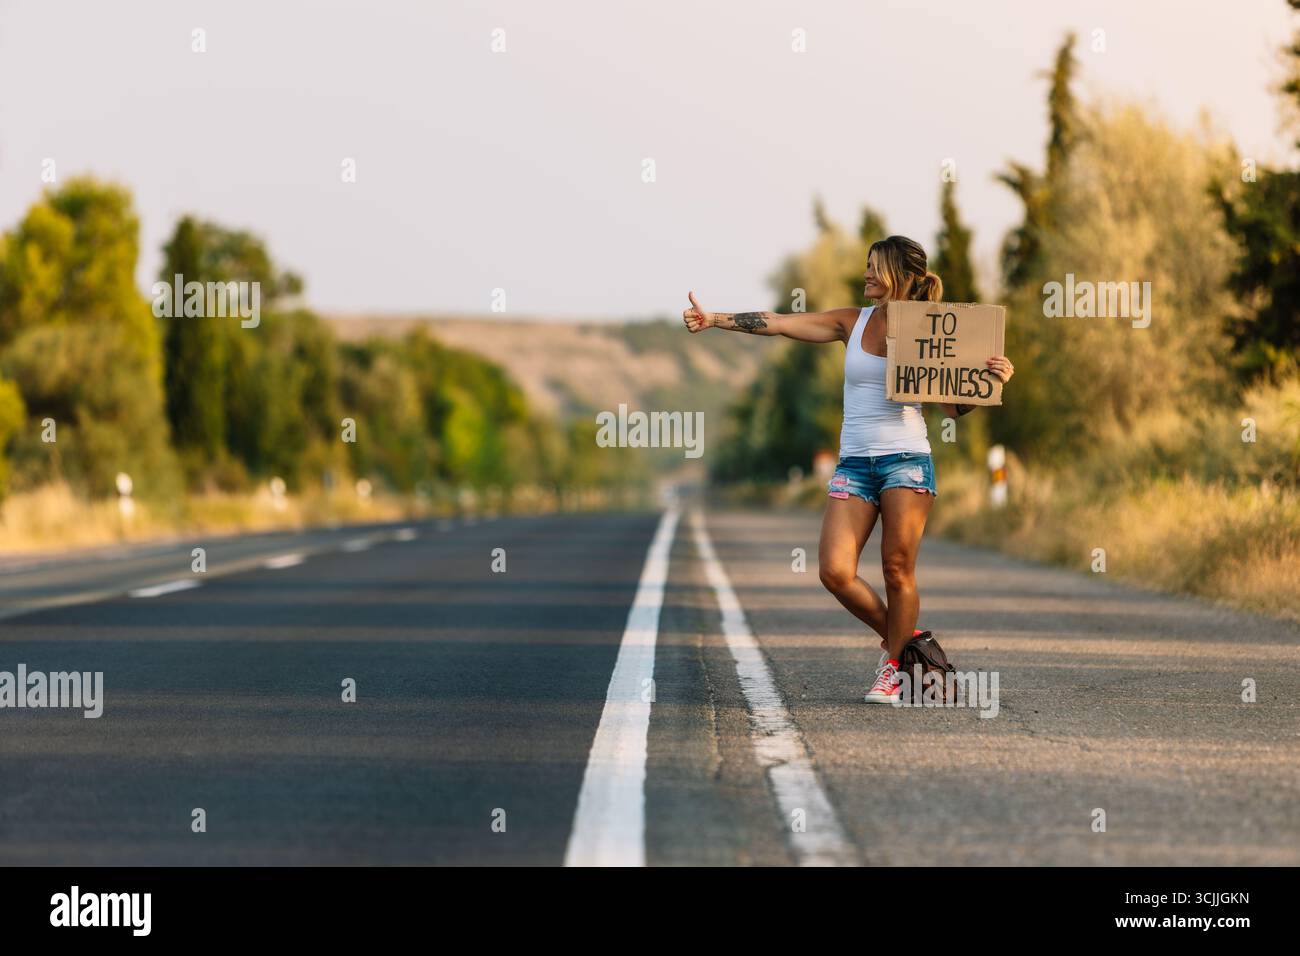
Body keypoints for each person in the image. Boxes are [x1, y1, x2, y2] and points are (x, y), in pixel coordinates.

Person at [682, 235, 1014, 703]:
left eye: (875, 267)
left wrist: (988, 379)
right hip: (854, 464)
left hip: (907, 462)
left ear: (900, 274)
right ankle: (910, 641)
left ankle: (894, 667)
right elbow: (778, 323)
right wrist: (714, 319)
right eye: (866, 266)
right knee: (834, 571)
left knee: (897, 569)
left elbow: (952, 409)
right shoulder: (849, 323)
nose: (866, 275)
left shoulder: (927, 331)